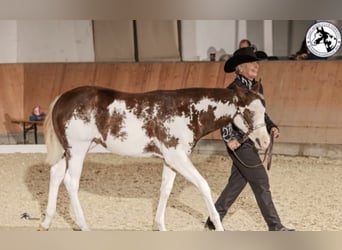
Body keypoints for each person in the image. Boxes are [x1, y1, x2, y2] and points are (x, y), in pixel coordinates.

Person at [205, 47, 294, 231]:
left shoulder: (255, 87)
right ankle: (275, 227)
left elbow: (260, 113)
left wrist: (271, 126)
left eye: (257, 62)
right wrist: (229, 139)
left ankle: (214, 219)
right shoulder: (232, 90)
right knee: (261, 180)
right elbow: (224, 116)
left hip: (250, 141)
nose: (256, 65)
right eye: (251, 63)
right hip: (238, 143)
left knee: (237, 183)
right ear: (240, 67)